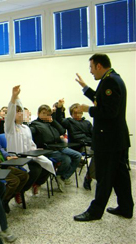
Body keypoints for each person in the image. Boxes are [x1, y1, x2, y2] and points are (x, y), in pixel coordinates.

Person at [73, 53, 134, 221]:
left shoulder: (109, 81)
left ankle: (95, 211)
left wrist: (88, 110)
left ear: (99, 66)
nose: (91, 72)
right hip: (117, 139)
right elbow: (102, 100)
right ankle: (126, 208)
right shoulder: (113, 78)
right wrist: (85, 87)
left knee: (104, 177)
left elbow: (109, 112)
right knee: (120, 175)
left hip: (108, 140)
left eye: (91, 68)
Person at [5, 85, 55, 196]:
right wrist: (14, 96)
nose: (20, 114)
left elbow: (30, 144)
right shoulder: (10, 128)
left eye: (21, 112)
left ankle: (36, 184)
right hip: (17, 158)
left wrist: (37, 150)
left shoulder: (26, 128)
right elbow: (10, 113)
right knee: (36, 169)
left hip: (29, 155)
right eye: (18, 112)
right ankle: (20, 191)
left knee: (48, 164)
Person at [30, 104, 82, 192]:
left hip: (58, 147)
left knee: (78, 155)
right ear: (38, 113)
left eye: (48, 114)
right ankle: (59, 176)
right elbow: (30, 132)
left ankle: (63, 177)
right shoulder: (35, 124)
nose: (46, 116)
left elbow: (62, 131)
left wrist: (53, 122)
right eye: (44, 113)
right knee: (67, 159)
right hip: (47, 149)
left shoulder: (51, 123)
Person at [54, 99, 95, 190]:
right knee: (98, 153)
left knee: (103, 153)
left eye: (80, 113)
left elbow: (94, 135)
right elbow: (59, 119)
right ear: (71, 114)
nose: (78, 115)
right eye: (75, 113)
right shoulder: (69, 121)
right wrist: (59, 107)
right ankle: (89, 177)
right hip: (77, 146)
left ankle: (92, 175)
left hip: (89, 144)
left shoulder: (87, 123)